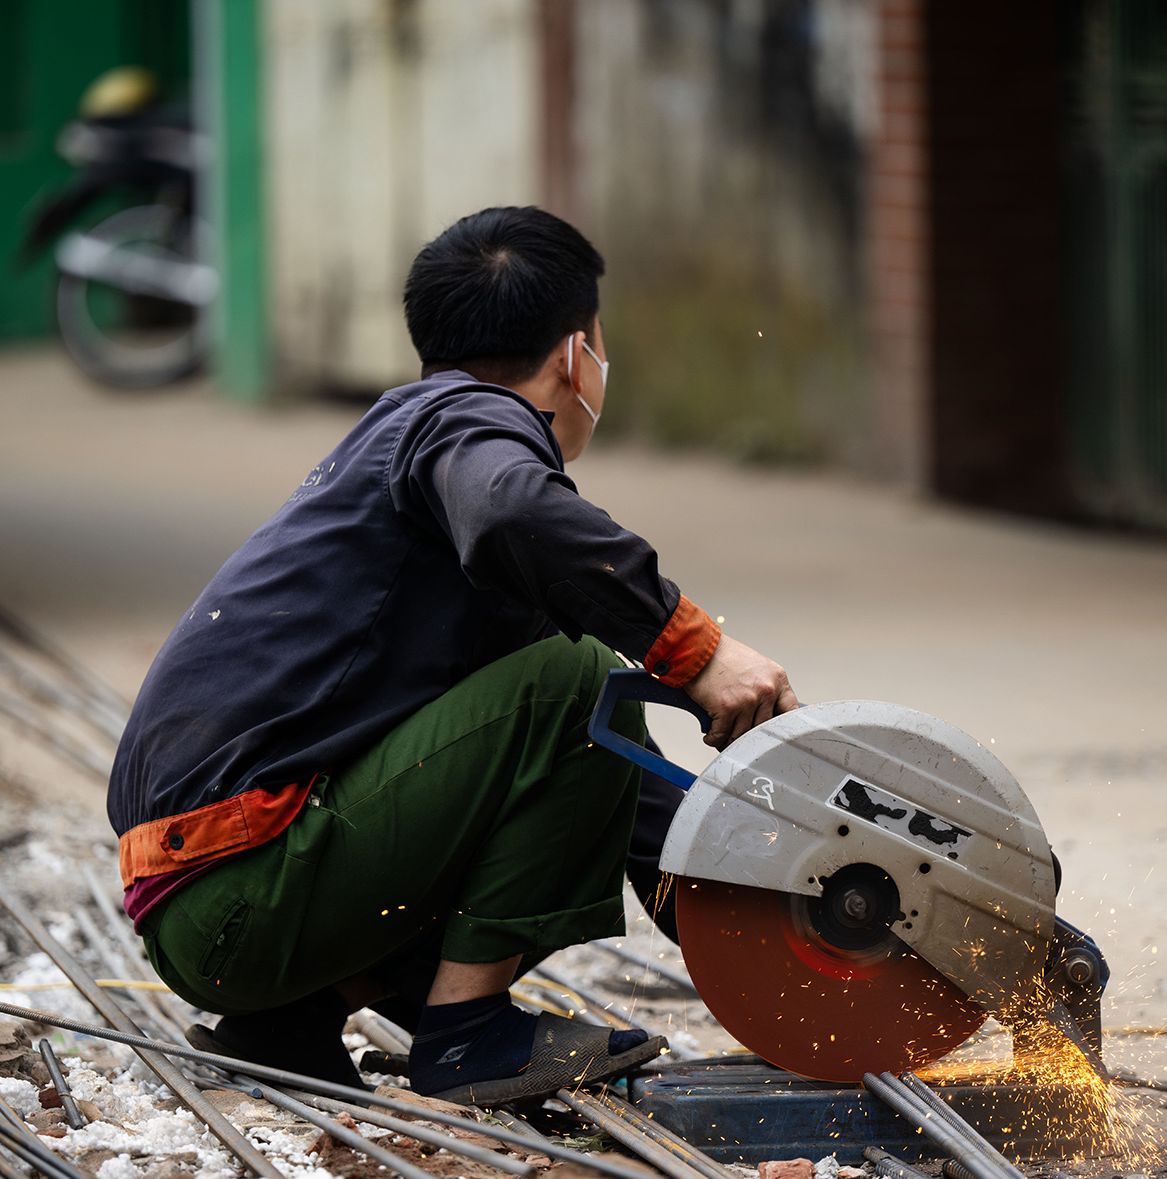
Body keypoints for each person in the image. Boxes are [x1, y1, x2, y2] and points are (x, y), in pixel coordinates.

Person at [108, 206, 798, 1106]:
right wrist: (694, 651)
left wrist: (784, 888)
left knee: (579, 706)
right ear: (575, 355)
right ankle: (468, 1037)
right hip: (240, 896)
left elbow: (618, 783)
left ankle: (293, 1023)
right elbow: (518, 512)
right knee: (581, 678)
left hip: (218, 907)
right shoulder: (462, 426)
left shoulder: (417, 455)